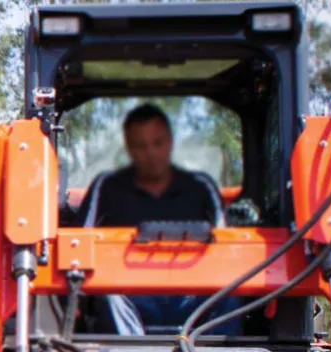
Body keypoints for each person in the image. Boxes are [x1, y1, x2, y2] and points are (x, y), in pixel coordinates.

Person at [75, 103, 242, 336]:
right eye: (141, 146)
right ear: (129, 149)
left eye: (157, 143)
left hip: (191, 298)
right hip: (130, 297)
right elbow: (76, 247)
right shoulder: (106, 187)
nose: (151, 153)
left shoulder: (201, 187)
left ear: (170, 142)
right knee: (107, 293)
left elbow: (227, 250)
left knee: (231, 292)